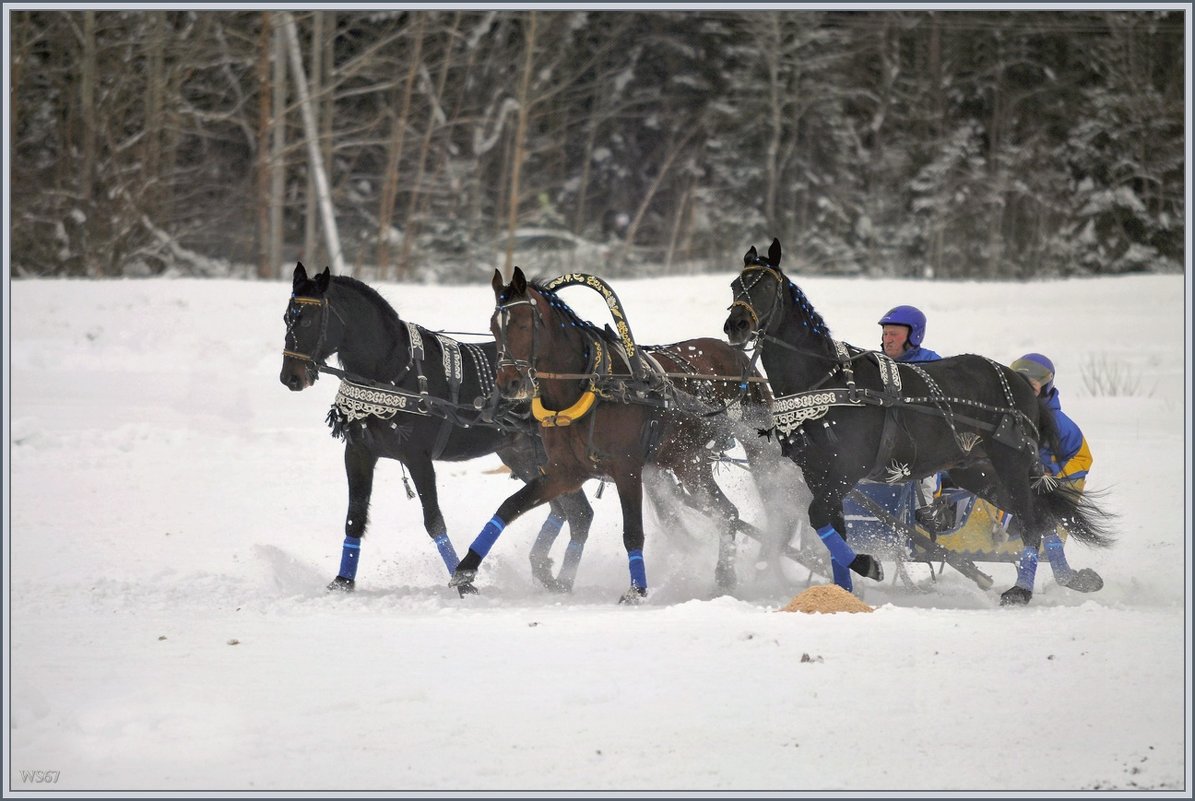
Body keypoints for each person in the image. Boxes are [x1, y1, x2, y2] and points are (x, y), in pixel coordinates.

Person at [1008, 352, 1103, 593]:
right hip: (1021, 483)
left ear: (1046, 387)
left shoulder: (1059, 423)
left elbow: (1083, 458)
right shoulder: (1009, 418)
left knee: (1039, 521)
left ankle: (1028, 582)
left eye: (1032, 386)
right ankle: (1060, 574)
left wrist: (1056, 477)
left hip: (1051, 485)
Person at [876, 305, 949, 530]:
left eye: (894, 334)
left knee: (924, 468)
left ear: (913, 336)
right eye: (885, 334)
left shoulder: (933, 363)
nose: (888, 340)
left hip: (922, 443)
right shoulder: (876, 363)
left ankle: (924, 509)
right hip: (884, 439)